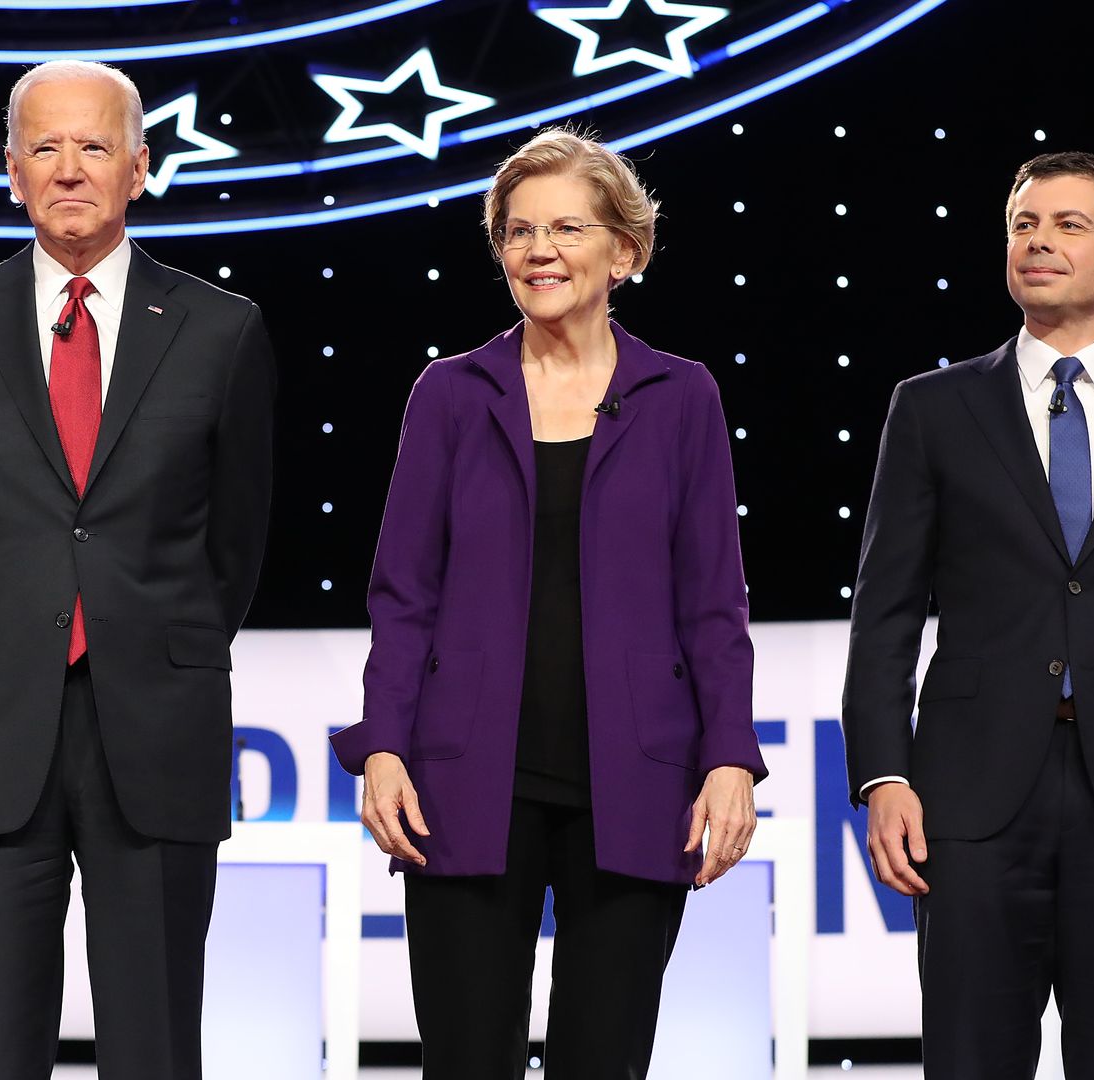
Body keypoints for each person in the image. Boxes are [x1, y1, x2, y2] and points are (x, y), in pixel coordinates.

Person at [330, 129, 766, 1080]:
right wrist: (386, 745)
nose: (540, 251)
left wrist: (730, 756)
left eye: (568, 227)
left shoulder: (680, 395)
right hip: (464, 780)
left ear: (625, 250)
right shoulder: (450, 394)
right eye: (519, 231)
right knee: (465, 1060)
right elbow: (404, 595)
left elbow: (713, 604)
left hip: (639, 779)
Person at [0, 59, 276, 1080]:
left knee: (154, 1046)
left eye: (94, 146)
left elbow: (235, 544)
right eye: (44, 148)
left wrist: (151, 639)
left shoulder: (222, 330)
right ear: (10, 172)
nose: (69, 169)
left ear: (140, 168)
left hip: (157, 725)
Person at [843, 151, 1094, 1078]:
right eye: (1023, 224)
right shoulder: (932, 408)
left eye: (1069, 224)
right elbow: (886, 615)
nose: (1037, 241)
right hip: (973, 798)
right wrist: (882, 776)